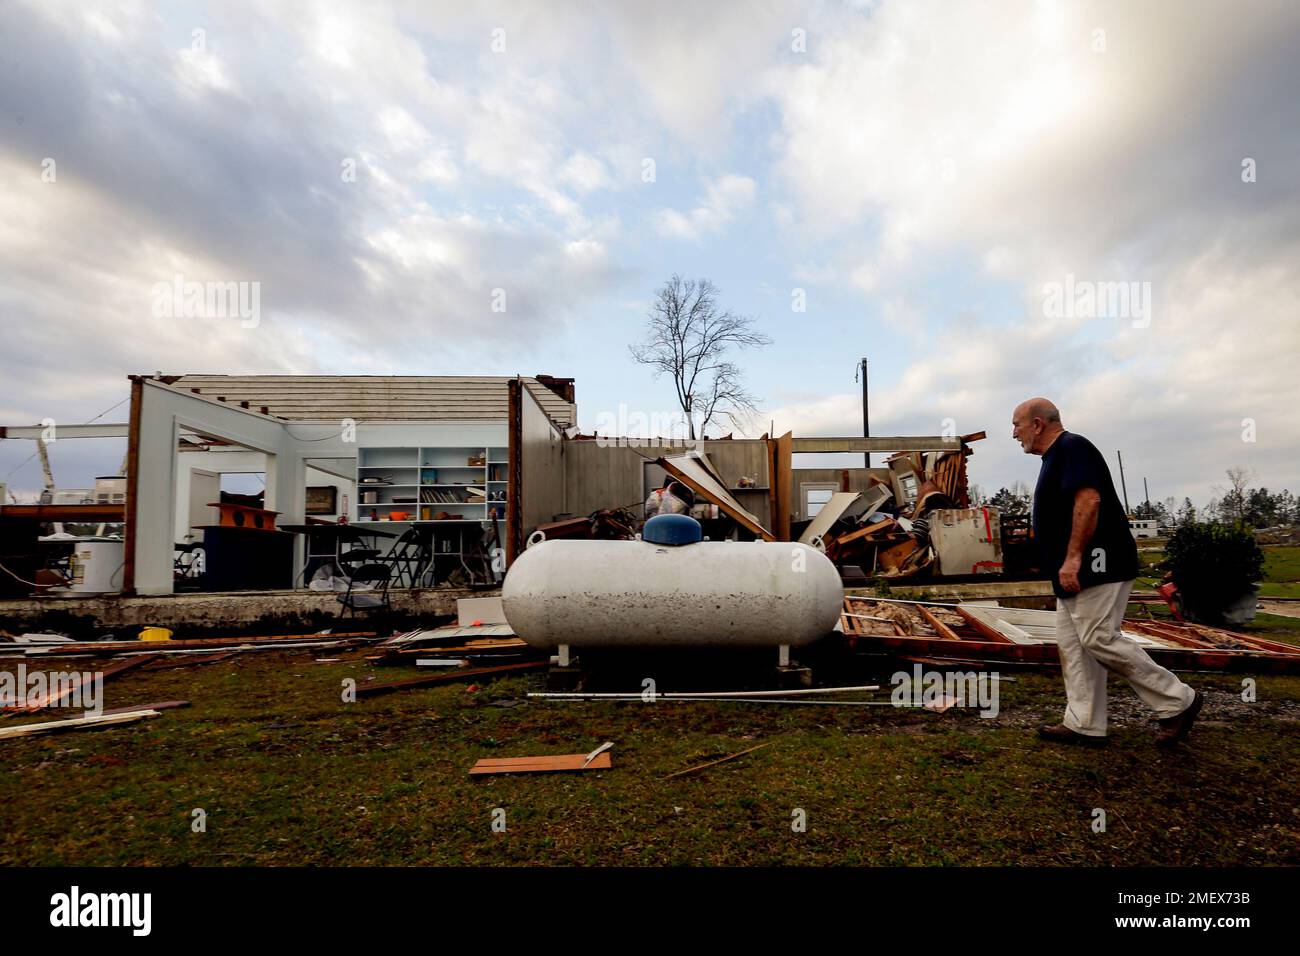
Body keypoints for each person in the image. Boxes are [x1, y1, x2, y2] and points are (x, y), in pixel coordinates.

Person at [1012, 398, 1202, 747]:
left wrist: (1072, 559)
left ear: (1037, 424)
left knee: (1099, 638)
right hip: (1074, 569)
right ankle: (1084, 723)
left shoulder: (1073, 447)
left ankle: (1178, 701)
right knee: (1075, 646)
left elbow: (1090, 501)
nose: (1014, 434)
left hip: (1097, 564)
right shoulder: (1055, 457)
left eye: (1017, 425)